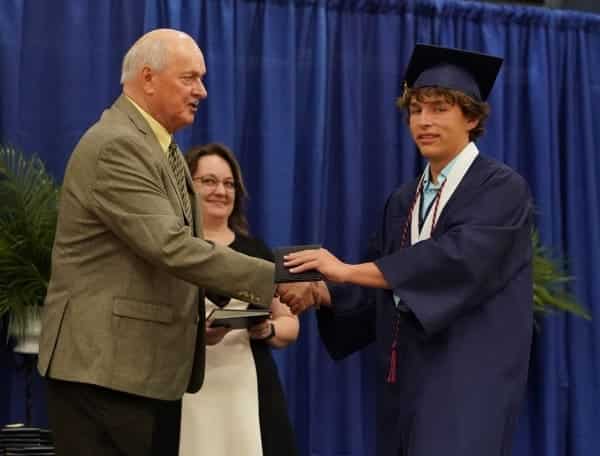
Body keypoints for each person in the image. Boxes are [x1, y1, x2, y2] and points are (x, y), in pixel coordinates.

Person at [37, 29, 311, 456]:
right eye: (190, 78)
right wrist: (277, 278)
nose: (201, 91)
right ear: (148, 78)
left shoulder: (160, 149)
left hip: (137, 374)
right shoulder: (118, 146)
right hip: (105, 374)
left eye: (202, 79)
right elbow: (172, 247)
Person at [284, 44, 534, 456]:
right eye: (416, 110)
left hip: (467, 378)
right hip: (406, 379)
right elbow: (381, 289)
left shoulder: (500, 188)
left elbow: (453, 261)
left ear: (472, 117)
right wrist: (321, 292)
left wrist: (346, 270)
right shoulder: (404, 199)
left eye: (439, 109)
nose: (424, 121)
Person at [178, 142, 299, 456]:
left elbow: (290, 322)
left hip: (249, 387)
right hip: (184, 385)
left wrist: (267, 330)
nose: (221, 191)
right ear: (187, 187)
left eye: (229, 184)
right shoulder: (174, 250)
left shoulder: (256, 251)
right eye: (209, 181)